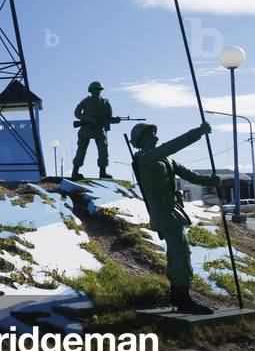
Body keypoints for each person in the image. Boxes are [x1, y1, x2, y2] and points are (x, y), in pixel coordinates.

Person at [130, 121, 222, 314]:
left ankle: (178, 295)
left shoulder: (166, 159)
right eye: (151, 134)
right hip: (163, 212)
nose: (155, 136)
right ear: (141, 140)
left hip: (173, 209)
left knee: (177, 252)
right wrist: (198, 132)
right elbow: (174, 145)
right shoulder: (147, 158)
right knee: (181, 252)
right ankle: (183, 299)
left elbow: (189, 175)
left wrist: (209, 181)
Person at [70, 81, 118, 179]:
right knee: (81, 150)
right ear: (91, 91)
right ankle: (75, 172)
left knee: (103, 151)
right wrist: (88, 119)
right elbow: (77, 112)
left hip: (100, 130)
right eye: (94, 90)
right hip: (86, 129)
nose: (96, 91)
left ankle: (103, 172)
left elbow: (108, 118)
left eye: (98, 90)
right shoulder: (86, 101)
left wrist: (114, 120)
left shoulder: (105, 103)